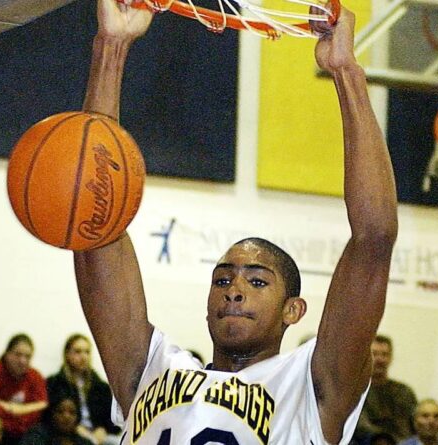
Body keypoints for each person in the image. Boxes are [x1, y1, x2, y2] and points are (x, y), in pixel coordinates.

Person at [70, 0, 398, 443]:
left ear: (293, 311)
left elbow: (374, 239)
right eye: (222, 280)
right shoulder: (149, 370)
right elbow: (94, 222)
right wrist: (110, 46)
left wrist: (346, 72)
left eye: (258, 282)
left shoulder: (311, 386)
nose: (235, 290)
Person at [0, 333, 48, 445]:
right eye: (18, 355)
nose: (23, 361)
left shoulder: (35, 376)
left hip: (22, 429)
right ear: (7, 354)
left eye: (27, 356)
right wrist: (21, 410)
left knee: (39, 432)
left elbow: (39, 411)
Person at [47, 334, 119, 445]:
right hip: (71, 435)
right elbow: (51, 417)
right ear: (67, 354)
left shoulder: (100, 386)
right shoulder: (56, 383)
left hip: (99, 436)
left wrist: (103, 429)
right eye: (78, 352)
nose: (83, 356)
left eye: (87, 352)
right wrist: (75, 428)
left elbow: (113, 418)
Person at [356, 335, 417, 443]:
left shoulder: (404, 392)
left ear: (391, 358)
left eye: (384, 354)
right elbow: (361, 426)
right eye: (374, 354)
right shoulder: (356, 391)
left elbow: (414, 425)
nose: (380, 359)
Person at [19, 394, 93, 445]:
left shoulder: (84, 442)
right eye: (60, 411)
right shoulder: (36, 437)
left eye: (72, 412)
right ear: (51, 414)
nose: (66, 417)